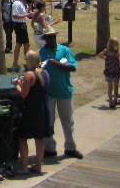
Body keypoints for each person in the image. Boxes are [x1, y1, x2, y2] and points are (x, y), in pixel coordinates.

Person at [38, 27, 83, 159]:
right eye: (49, 37)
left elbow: (72, 67)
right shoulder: (40, 52)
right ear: (45, 39)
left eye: (53, 36)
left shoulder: (64, 50)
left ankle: (70, 147)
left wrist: (57, 64)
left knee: (68, 121)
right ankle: (49, 148)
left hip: (64, 91)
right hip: (48, 93)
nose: (52, 39)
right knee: (49, 122)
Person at [12, 50, 51, 174]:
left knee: (22, 138)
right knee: (39, 139)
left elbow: (23, 94)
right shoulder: (45, 73)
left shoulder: (29, 74)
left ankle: (24, 168)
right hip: (43, 108)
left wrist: (16, 84)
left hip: (31, 110)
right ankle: (38, 166)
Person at [98, 38, 120, 107]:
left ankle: (110, 100)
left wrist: (105, 58)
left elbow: (100, 54)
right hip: (115, 71)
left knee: (109, 86)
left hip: (108, 71)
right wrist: (119, 67)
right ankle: (115, 99)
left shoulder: (107, 51)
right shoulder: (117, 53)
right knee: (116, 86)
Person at [12, 0, 31, 69]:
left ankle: (20, 63)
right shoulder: (17, 3)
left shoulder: (21, 3)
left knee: (20, 44)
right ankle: (22, 63)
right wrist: (26, 15)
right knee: (25, 44)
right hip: (19, 25)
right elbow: (15, 15)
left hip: (22, 24)